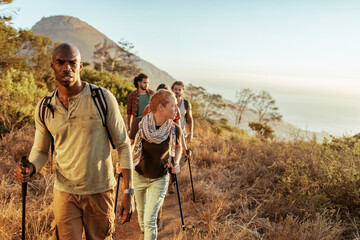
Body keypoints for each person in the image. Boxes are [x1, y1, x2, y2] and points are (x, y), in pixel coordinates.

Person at [13, 43, 135, 240]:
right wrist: (31, 169)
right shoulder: (45, 107)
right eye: (60, 62)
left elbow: (123, 143)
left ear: (80, 66)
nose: (66, 67)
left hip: (100, 190)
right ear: (53, 66)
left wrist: (129, 191)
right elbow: (41, 150)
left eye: (72, 62)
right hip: (65, 192)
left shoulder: (102, 98)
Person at [130, 90, 182, 240]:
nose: (176, 110)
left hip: (160, 178)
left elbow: (178, 147)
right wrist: (124, 163)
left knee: (150, 219)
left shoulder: (174, 129)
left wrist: (176, 162)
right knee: (140, 214)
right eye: (172, 106)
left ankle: (148, 233)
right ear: (161, 107)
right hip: (139, 175)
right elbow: (130, 146)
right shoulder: (138, 123)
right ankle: (144, 233)